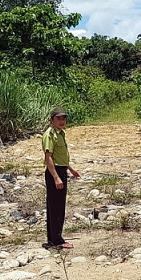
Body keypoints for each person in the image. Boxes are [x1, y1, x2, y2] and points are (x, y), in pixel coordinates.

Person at [42, 106, 80, 249]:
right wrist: (56, 177)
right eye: (58, 118)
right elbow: (49, 158)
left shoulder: (60, 133)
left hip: (61, 170)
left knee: (58, 206)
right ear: (52, 120)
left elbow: (61, 156)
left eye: (64, 118)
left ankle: (54, 238)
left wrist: (71, 169)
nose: (62, 121)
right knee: (55, 207)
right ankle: (56, 241)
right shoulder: (50, 134)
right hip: (54, 172)